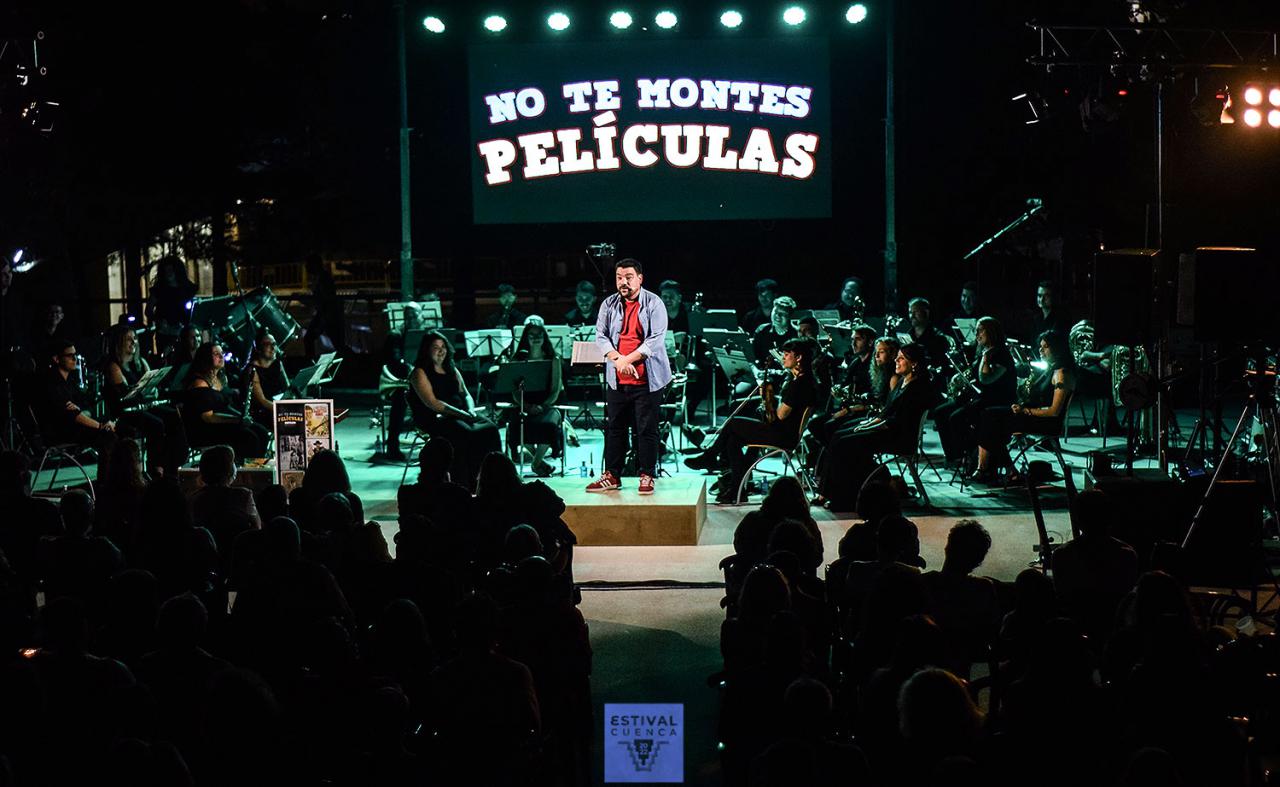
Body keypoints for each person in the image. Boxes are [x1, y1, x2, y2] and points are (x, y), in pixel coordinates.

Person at [684, 337, 819, 504]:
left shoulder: (800, 384)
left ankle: (710, 457)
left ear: (798, 357)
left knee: (733, 423)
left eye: (786, 354)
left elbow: (781, 415)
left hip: (783, 435)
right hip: (783, 431)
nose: (783, 358)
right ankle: (737, 490)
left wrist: (768, 400)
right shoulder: (802, 380)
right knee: (733, 440)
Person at [586, 258, 672, 496]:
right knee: (614, 428)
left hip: (648, 379)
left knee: (646, 429)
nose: (623, 282)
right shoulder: (608, 304)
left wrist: (627, 360)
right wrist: (618, 360)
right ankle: (612, 475)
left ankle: (647, 475)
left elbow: (655, 340)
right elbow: (601, 336)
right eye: (619, 278)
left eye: (628, 277)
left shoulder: (654, 303)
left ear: (640, 279)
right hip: (617, 378)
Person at [816, 343, 937, 511]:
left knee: (844, 442)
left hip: (898, 436)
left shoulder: (918, 388)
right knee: (838, 434)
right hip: (886, 428)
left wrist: (869, 426)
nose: (896, 360)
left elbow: (898, 421)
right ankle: (826, 492)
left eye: (901, 358)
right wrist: (868, 423)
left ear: (914, 363)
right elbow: (887, 411)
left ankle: (843, 499)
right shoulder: (903, 381)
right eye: (897, 357)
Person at [972, 329, 1076, 483]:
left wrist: (1025, 410)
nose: (1040, 350)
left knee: (991, 420)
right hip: (1033, 415)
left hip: (1047, 422)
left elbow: (1054, 411)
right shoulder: (1050, 369)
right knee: (986, 415)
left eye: (1045, 347)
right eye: (1040, 346)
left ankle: (990, 468)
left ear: (1057, 348)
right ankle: (995, 468)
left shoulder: (1062, 374)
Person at [407, 330, 501, 491]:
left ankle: (490, 480)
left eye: (443, 346)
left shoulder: (451, 368)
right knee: (465, 433)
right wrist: (463, 415)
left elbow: (466, 394)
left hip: (461, 413)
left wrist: (471, 410)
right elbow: (433, 403)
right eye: (436, 347)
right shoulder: (419, 372)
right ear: (426, 350)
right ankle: (464, 484)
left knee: (490, 429)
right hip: (435, 417)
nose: (441, 351)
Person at [931, 316, 1017, 467]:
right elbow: (975, 373)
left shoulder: (1001, 354)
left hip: (995, 400)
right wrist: (960, 377)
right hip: (979, 396)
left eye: (980, 330)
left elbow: (986, 379)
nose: (976, 334)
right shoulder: (983, 350)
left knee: (956, 418)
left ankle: (969, 455)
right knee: (940, 412)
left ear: (991, 332)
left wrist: (985, 358)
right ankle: (953, 456)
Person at [180, 342, 270, 462]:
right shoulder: (199, 383)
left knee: (262, 432)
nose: (221, 356)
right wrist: (236, 420)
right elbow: (208, 417)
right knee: (250, 437)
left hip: (222, 422)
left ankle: (257, 467)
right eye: (216, 354)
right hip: (206, 429)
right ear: (205, 358)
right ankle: (242, 469)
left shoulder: (220, 378)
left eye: (222, 353)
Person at [504, 317, 564, 478]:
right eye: (532, 335)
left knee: (548, 424)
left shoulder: (554, 358)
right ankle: (539, 462)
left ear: (544, 337)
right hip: (524, 404)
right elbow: (515, 391)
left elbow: (555, 389)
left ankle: (536, 463)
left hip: (547, 405)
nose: (536, 338)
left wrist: (542, 406)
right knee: (517, 424)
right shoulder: (518, 359)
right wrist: (527, 406)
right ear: (526, 338)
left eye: (539, 335)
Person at [35, 338, 117, 449]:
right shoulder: (52, 384)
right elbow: (73, 415)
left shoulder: (70, 381)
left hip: (73, 428)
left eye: (75, 355)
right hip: (61, 433)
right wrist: (101, 426)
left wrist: (81, 410)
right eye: (69, 355)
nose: (74, 359)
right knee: (107, 435)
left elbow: (83, 403)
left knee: (112, 428)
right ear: (56, 359)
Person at [146, 256, 197, 355]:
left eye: (170, 270)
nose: (168, 273)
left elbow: (195, 307)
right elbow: (148, 310)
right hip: (165, 333)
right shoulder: (159, 289)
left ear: (177, 270)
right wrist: (159, 321)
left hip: (185, 333)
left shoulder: (187, 288)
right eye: (165, 271)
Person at [244, 330, 290, 429]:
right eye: (268, 344)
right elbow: (262, 401)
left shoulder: (278, 363)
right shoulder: (252, 369)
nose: (273, 348)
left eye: (274, 344)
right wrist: (284, 409)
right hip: (263, 412)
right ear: (258, 348)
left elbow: (287, 388)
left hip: (278, 404)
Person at [303, 253, 344, 357]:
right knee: (338, 344)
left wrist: (324, 318)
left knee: (309, 339)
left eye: (308, 264)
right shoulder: (322, 277)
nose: (306, 267)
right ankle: (353, 360)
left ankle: (311, 362)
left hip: (326, 315)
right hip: (326, 314)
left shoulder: (323, 278)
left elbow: (326, 299)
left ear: (314, 265)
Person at [903, 297, 951, 369]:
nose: (912, 316)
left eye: (916, 312)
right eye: (910, 312)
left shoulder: (939, 338)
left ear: (926, 313)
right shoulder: (907, 336)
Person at [752, 296, 798, 367]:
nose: (777, 315)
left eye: (783, 313)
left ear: (789, 316)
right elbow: (753, 357)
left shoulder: (797, 335)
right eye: (775, 311)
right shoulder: (761, 330)